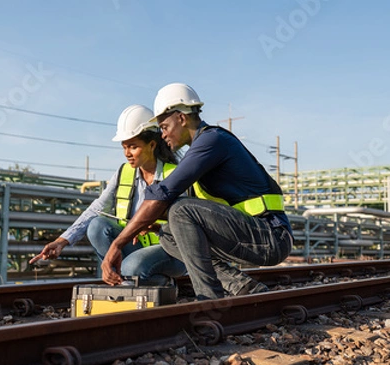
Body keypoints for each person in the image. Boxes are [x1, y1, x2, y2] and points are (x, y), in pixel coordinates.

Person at [101, 83, 293, 299]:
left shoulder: (212, 141)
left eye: (164, 127)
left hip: (271, 237)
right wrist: (153, 225)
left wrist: (118, 244)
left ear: (181, 119)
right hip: (250, 236)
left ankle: (208, 297)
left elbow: (163, 193)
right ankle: (241, 286)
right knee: (168, 234)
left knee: (180, 211)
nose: (162, 135)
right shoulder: (200, 151)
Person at [29, 104, 186, 286]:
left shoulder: (175, 174)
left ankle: (159, 283)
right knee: (97, 226)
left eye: (133, 147)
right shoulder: (123, 173)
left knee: (131, 267)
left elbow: (186, 226)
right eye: (124, 147)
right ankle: (124, 281)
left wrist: (157, 228)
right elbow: (97, 209)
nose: (127, 153)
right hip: (136, 247)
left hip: (170, 251)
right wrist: (62, 241)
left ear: (152, 144)